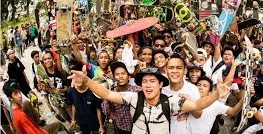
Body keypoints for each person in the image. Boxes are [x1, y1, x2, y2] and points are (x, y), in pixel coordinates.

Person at [68, 65, 231, 134]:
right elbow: (107, 94)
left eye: (152, 81)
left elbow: (197, 104)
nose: (148, 85)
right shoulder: (132, 97)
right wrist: (87, 80)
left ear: (161, 84)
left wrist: (216, 94)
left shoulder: (171, 101)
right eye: (144, 81)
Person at [2, 79, 68, 134]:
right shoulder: (20, 116)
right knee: (59, 125)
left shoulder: (13, 110)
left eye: (19, 92)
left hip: (36, 127)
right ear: (10, 98)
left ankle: (39, 121)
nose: (19, 96)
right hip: (39, 131)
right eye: (15, 94)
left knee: (27, 103)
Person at [162, 55, 202, 134]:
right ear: (166, 70)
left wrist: (190, 105)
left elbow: (198, 115)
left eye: (179, 68)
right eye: (171, 68)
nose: (174, 71)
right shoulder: (162, 90)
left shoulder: (192, 89)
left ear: (185, 70)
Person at [101, 61, 141, 133]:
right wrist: (106, 95)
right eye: (117, 74)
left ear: (128, 77)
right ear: (114, 77)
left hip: (137, 128)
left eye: (123, 73)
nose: (120, 76)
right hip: (121, 128)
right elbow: (106, 112)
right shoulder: (112, 92)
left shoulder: (137, 90)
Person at [68, 65, 104, 134]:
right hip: (82, 123)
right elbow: (73, 105)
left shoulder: (92, 91)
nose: (78, 79)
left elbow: (98, 109)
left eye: (79, 76)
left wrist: (101, 126)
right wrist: (73, 120)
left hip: (94, 124)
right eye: (75, 77)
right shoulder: (71, 91)